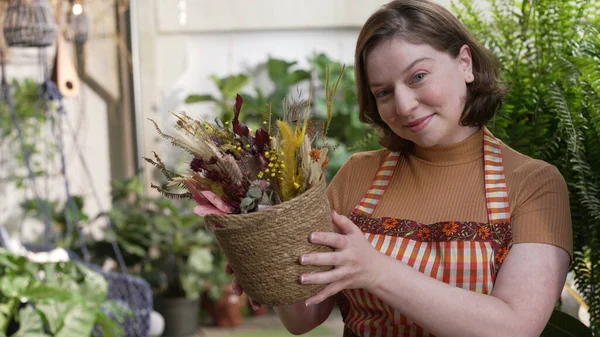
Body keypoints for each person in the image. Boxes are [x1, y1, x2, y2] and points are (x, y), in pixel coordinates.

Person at [228, 0, 573, 336]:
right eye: (384, 93)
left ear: (465, 63)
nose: (404, 106)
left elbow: (514, 327)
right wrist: (269, 266)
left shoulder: (533, 184)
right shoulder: (357, 176)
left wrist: (377, 272)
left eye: (418, 76)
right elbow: (305, 319)